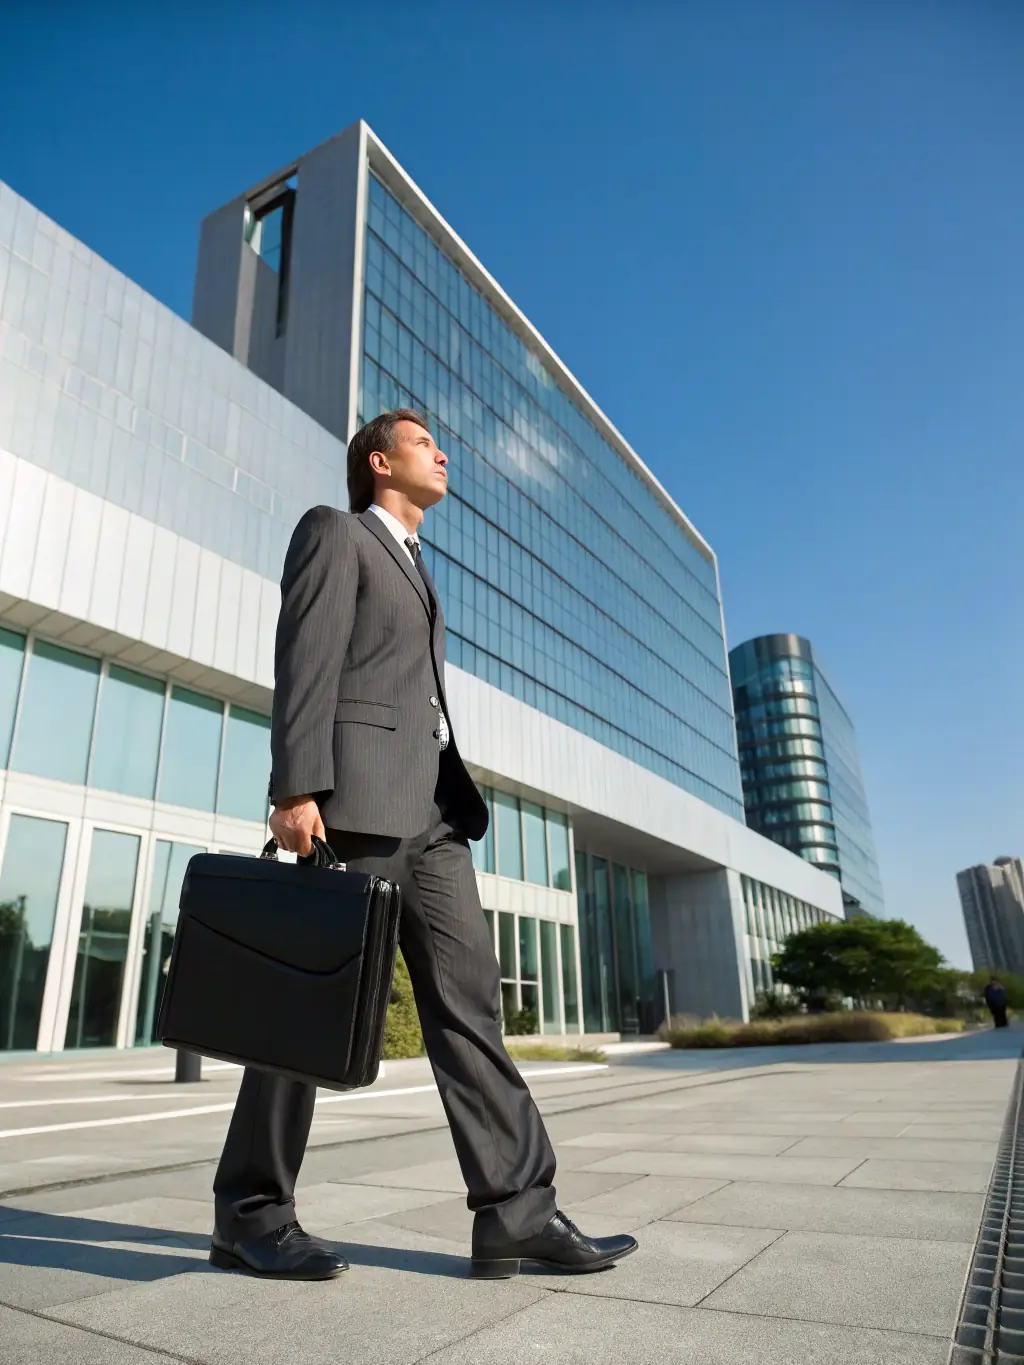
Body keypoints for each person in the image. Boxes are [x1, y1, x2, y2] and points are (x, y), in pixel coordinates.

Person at [209, 409, 637, 1282]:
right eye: (421, 442)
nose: (441, 452)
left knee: (468, 1003)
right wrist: (296, 786)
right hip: (357, 808)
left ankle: (517, 1211)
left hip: (436, 820)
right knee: (305, 1013)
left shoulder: (418, 565)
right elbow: (307, 659)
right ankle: (250, 1213)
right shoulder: (336, 532)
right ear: (379, 461)